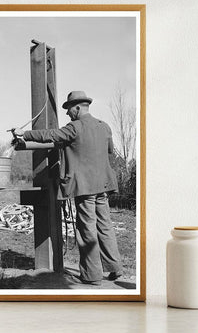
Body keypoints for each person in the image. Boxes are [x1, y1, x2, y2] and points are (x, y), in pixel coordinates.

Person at [13, 90, 122, 286]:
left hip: (84, 187)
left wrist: (25, 133)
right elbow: (109, 151)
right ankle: (115, 268)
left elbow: (50, 135)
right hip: (103, 186)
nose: (67, 114)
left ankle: (92, 275)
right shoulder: (104, 127)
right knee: (105, 226)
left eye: (69, 110)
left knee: (87, 229)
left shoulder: (74, 128)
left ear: (78, 108)